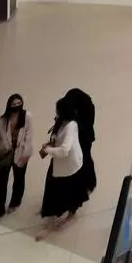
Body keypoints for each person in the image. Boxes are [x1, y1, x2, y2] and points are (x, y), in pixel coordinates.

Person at [35, 96, 90, 237]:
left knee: (65, 192)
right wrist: (50, 144)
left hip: (69, 166)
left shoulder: (71, 126)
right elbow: (57, 139)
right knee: (52, 191)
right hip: (59, 164)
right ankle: (51, 221)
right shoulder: (60, 122)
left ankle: (70, 215)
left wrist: (48, 151)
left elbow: (65, 150)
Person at [0, 93, 32, 222]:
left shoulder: (27, 117)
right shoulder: (2, 121)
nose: (17, 107)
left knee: (19, 178)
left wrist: (26, 154)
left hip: (20, 153)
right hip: (5, 154)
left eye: (19, 104)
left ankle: (15, 201)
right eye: (14, 105)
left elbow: (29, 136)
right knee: (1, 182)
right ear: (9, 106)